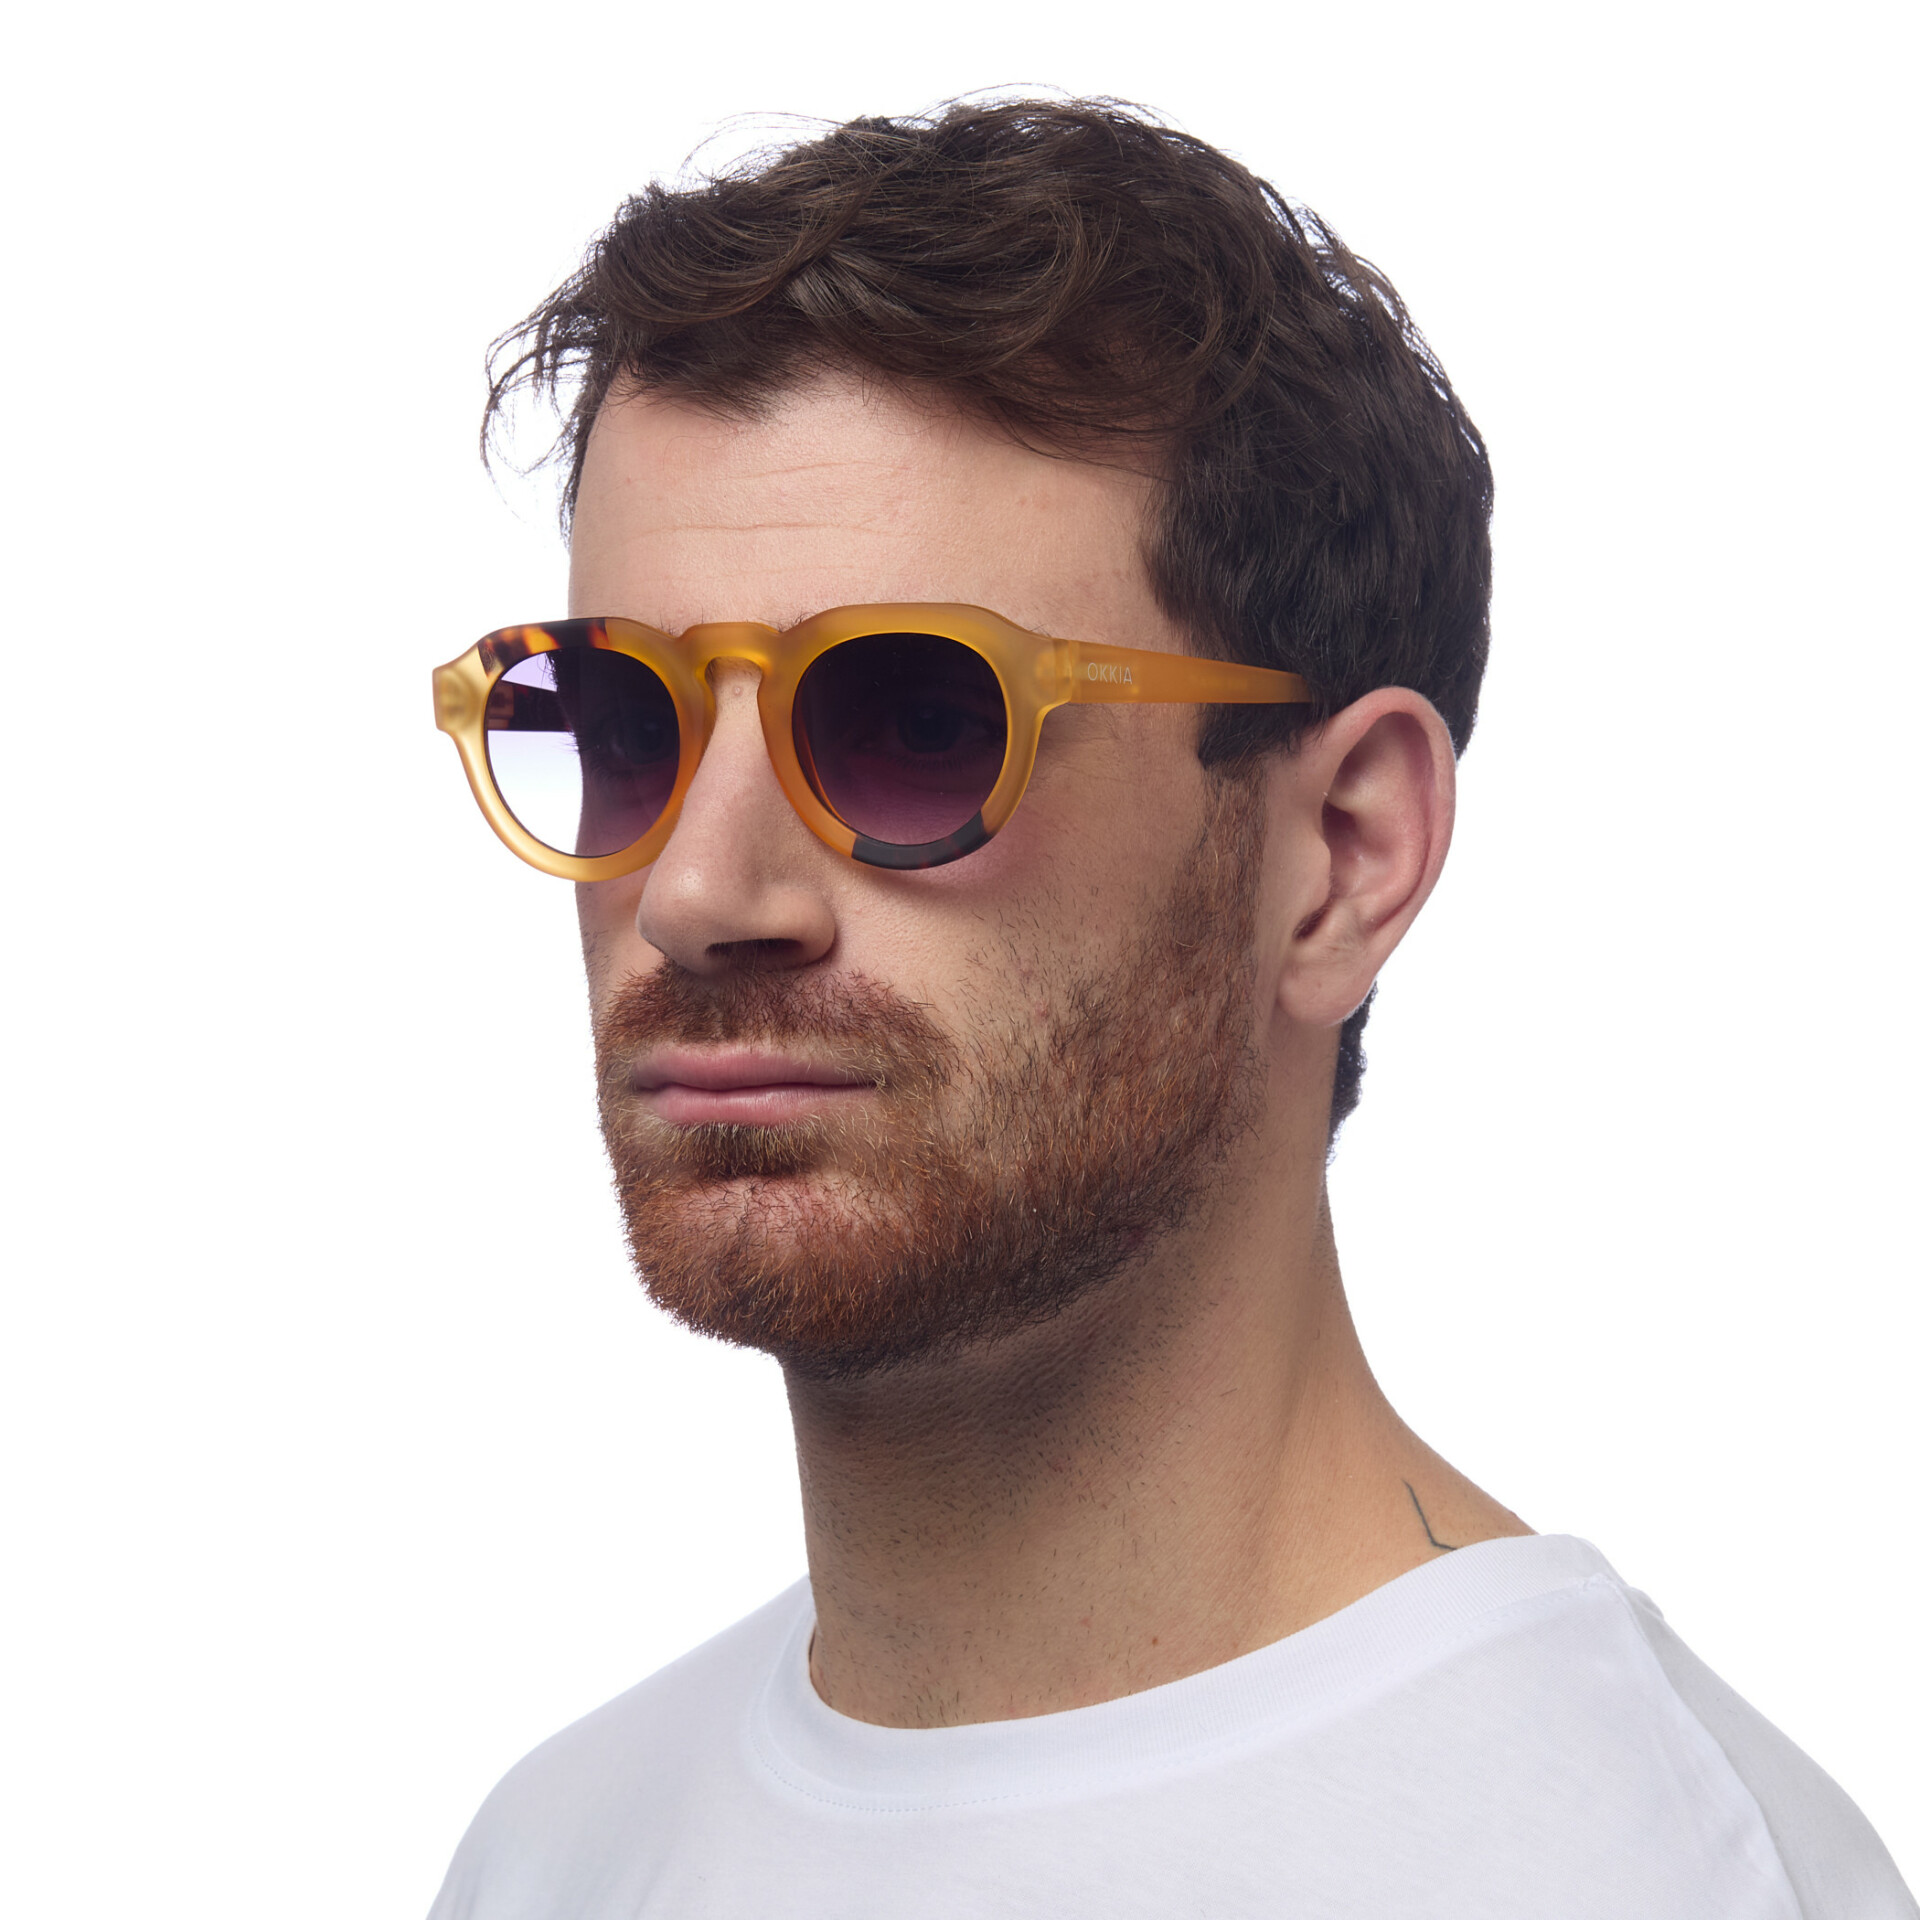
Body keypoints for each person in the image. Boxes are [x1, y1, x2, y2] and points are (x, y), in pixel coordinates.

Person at [426, 99, 1913, 1919]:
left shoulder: (1650, 1876)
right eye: (625, 724)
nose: (695, 894)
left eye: (913, 722)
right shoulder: (558, 1853)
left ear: (1343, 857)